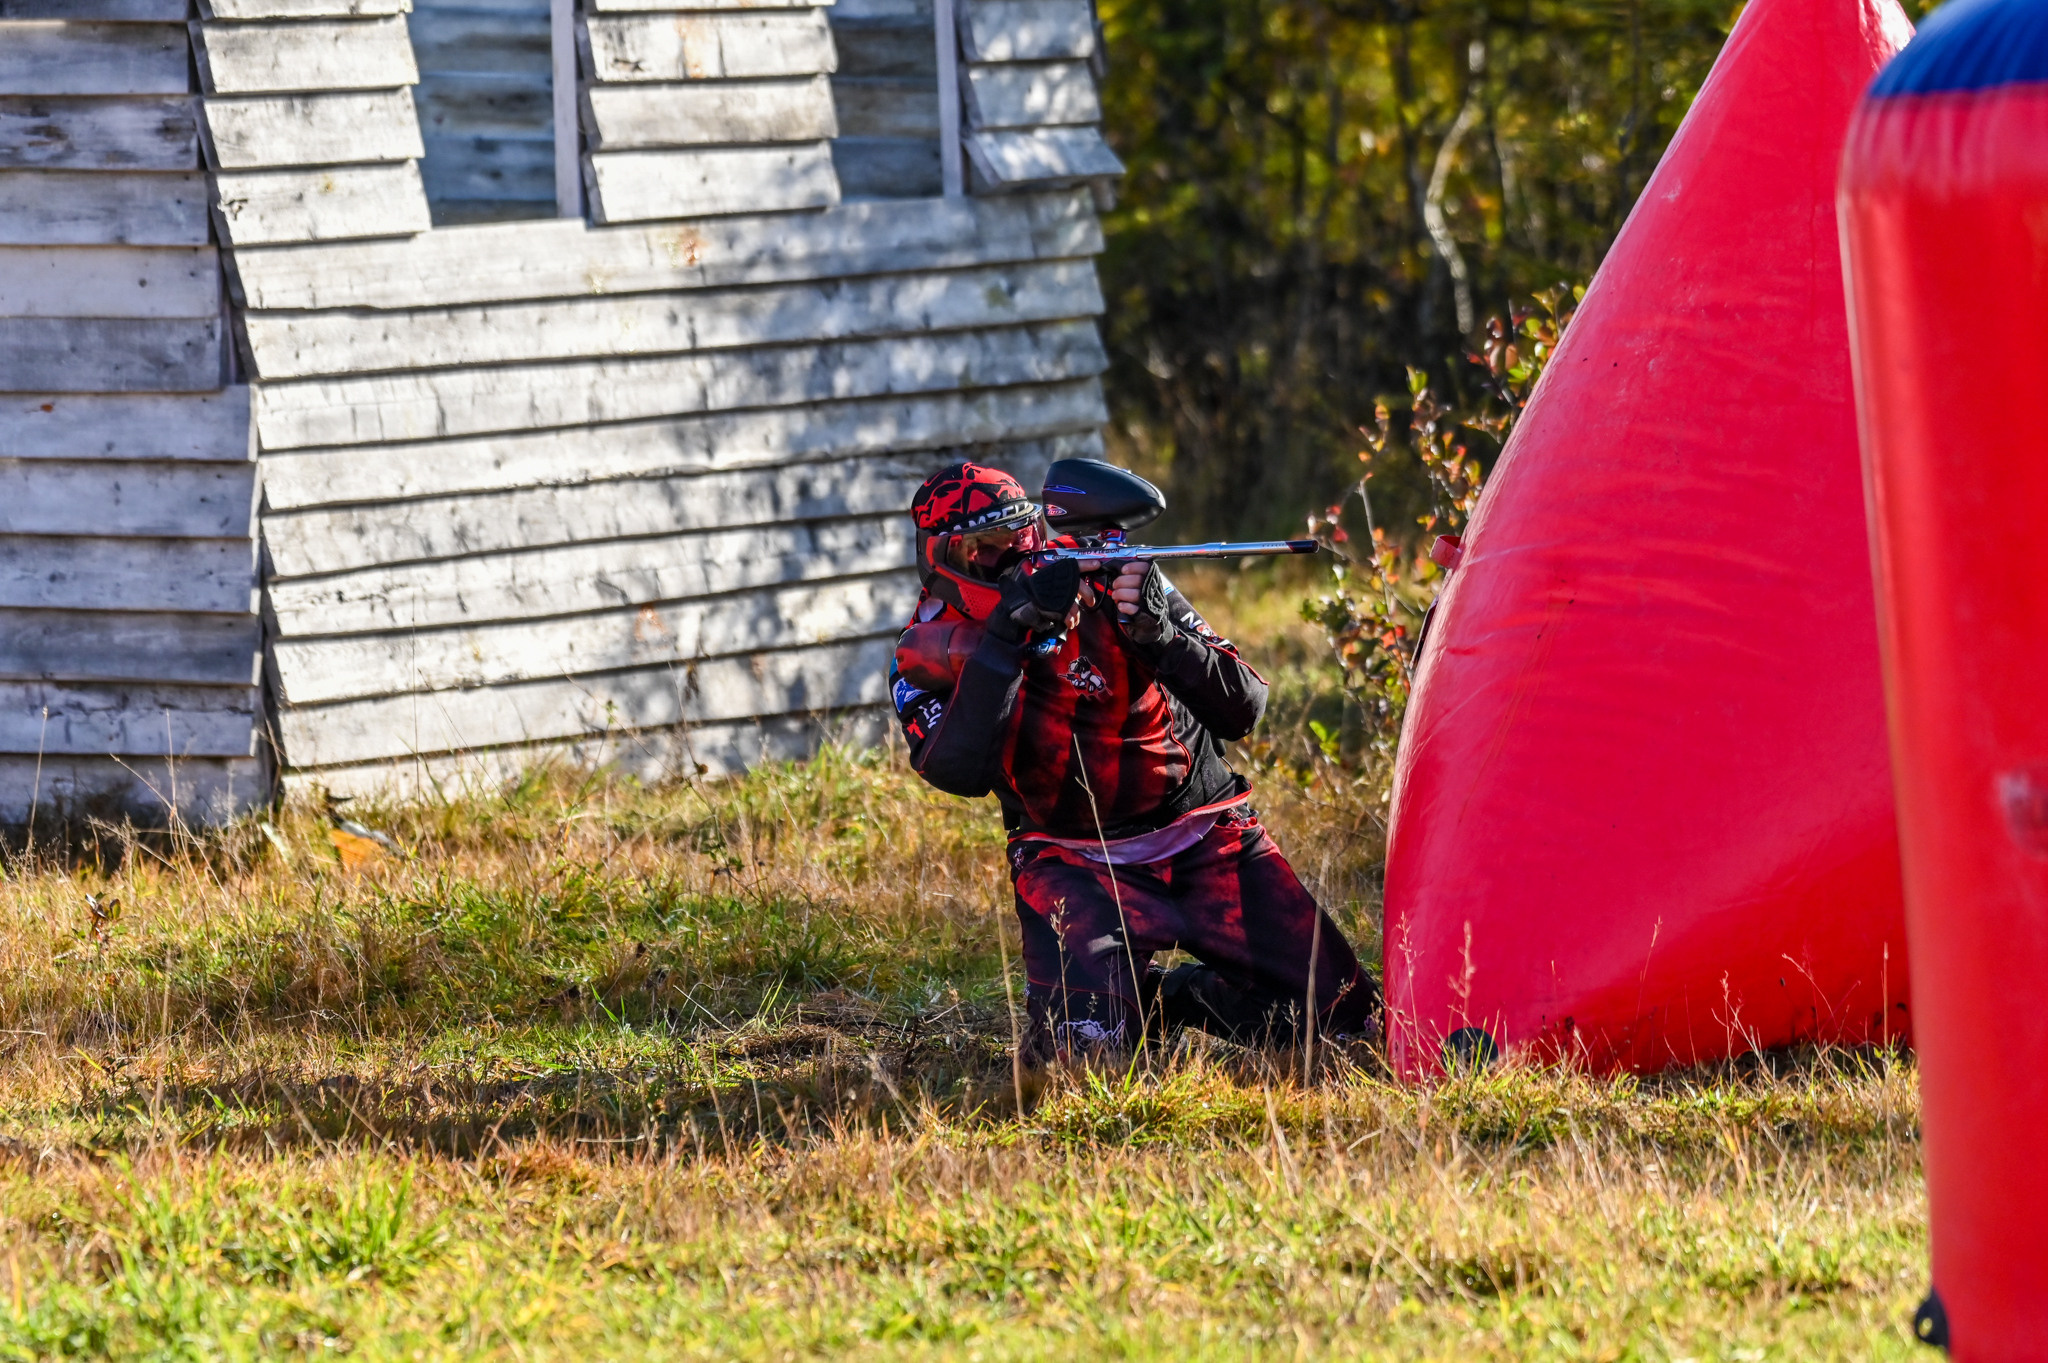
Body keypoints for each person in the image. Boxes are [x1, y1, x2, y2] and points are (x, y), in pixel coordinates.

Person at [888, 460, 1380, 1061]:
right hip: (1072, 863)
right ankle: (1125, 1002)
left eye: (1021, 539)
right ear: (945, 557)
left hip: (1207, 837)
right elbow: (957, 773)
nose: (1013, 560)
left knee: (1353, 1022)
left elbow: (1244, 710)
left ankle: (1178, 999)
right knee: (1081, 1063)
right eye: (985, 550)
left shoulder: (1102, 571)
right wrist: (1007, 643)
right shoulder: (928, 647)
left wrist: (1160, 634)